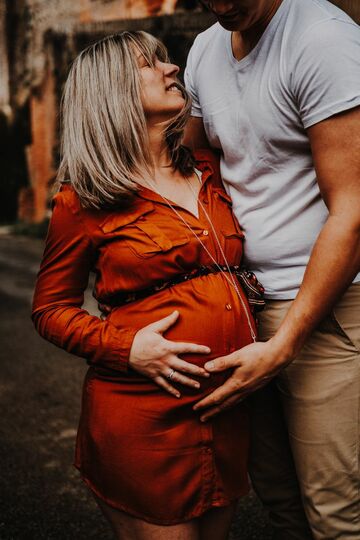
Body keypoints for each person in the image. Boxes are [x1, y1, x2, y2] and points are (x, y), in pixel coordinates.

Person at [31, 31, 260, 540]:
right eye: (148, 64)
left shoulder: (210, 168)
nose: (170, 68)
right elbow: (49, 308)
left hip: (224, 411)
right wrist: (127, 347)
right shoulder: (84, 198)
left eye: (165, 58)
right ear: (112, 91)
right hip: (143, 418)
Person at [184, 0, 360, 538]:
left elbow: (353, 210)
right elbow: (192, 175)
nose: (220, 4)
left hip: (323, 308)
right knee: (278, 502)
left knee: (334, 513)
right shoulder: (204, 48)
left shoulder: (321, 40)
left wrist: (285, 344)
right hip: (241, 306)